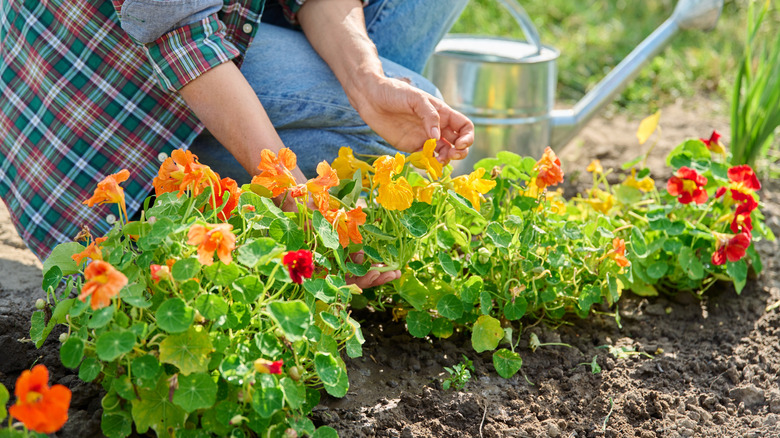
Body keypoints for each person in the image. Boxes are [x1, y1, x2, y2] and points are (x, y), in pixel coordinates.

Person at [0, 0, 474, 286]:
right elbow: (180, 33)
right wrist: (303, 210)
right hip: (106, 93)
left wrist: (368, 83)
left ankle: (261, 211)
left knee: (389, 136)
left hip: (225, 27)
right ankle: (178, 213)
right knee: (388, 144)